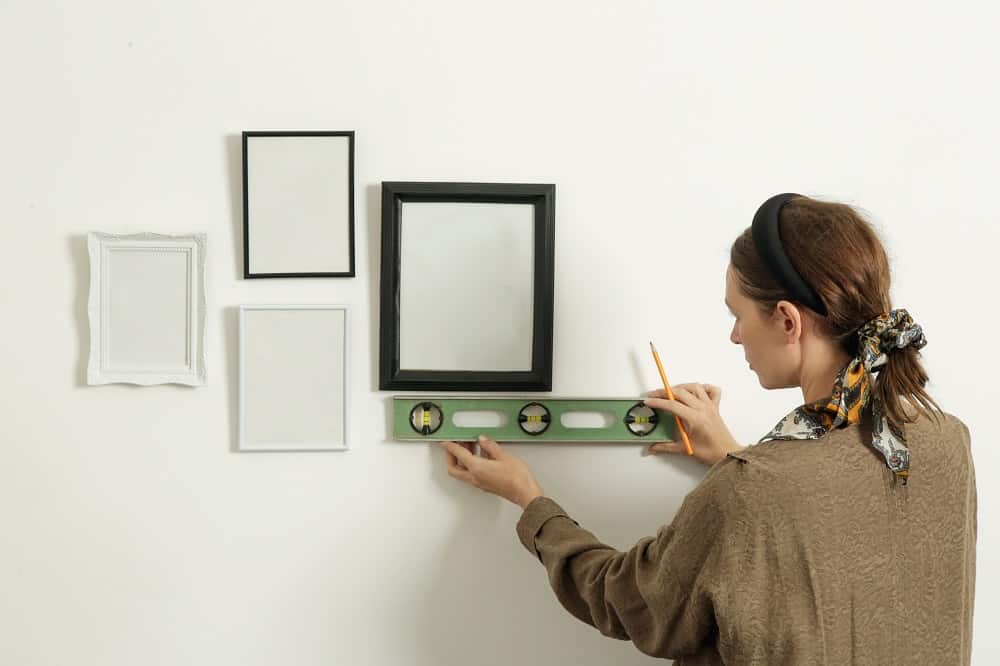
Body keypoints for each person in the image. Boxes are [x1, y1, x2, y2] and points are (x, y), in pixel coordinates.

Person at [440, 193, 977, 664]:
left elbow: (630, 604)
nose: (735, 337)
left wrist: (529, 500)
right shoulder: (947, 441)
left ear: (788, 320)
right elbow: (837, 539)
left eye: (737, 315)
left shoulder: (754, 488)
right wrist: (731, 456)